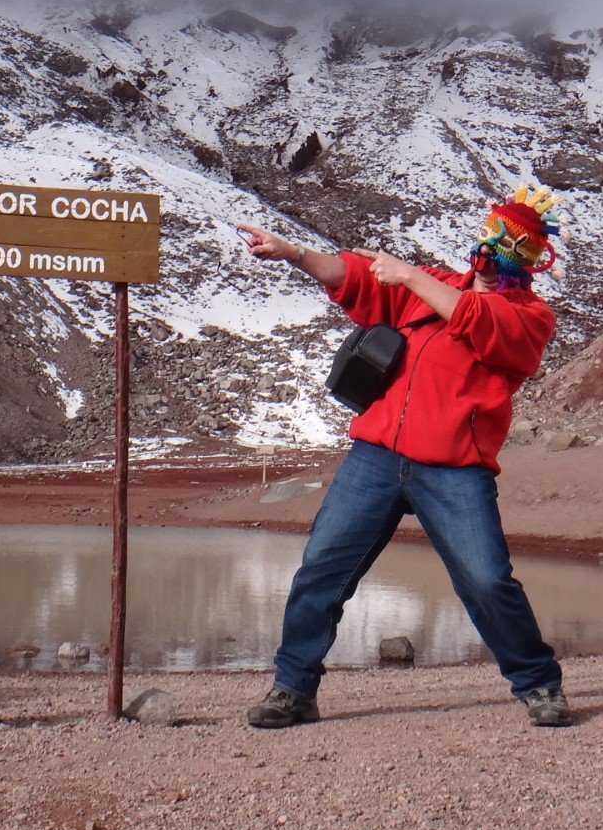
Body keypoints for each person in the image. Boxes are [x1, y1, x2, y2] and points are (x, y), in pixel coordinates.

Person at [234, 186, 572, 729]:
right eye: (493, 239)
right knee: (322, 569)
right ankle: (293, 689)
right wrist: (293, 252)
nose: (495, 254)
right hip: (376, 456)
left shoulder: (531, 316)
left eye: (514, 247)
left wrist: (412, 276)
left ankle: (538, 683)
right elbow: (360, 279)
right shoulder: (435, 285)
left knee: (487, 581)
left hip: (455, 468)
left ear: (532, 259)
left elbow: (479, 321)